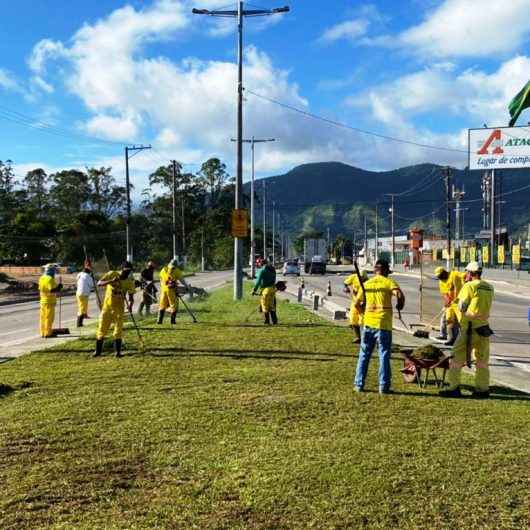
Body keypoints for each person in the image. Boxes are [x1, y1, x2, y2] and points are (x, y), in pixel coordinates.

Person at [440, 261, 494, 398]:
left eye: (467, 273)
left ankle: (453, 388)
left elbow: (462, 306)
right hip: (484, 328)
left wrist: (458, 308)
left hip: (469, 328)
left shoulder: (469, 286)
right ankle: (482, 390)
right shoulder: (489, 287)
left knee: (456, 358)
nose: (466, 276)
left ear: (470, 273)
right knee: (482, 361)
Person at [353, 259, 405, 394]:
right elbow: (398, 294)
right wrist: (400, 304)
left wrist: (363, 311)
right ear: (386, 270)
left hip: (368, 324)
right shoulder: (388, 282)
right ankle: (384, 387)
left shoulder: (367, 284)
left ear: (375, 270)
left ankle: (359, 385)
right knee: (384, 355)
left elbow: (356, 303)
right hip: (383, 324)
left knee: (364, 355)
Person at [93, 261, 136, 358]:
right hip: (107, 308)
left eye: (129, 271)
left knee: (118, 330)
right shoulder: (112, 274)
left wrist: (130, 305)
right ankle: (98, 351)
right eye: (125, 271)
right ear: (122, 270)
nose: (127, 273)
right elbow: (99, 283)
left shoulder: (129, 282)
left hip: (119, 308)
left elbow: (131, 296)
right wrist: (111, 281)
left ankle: (118, 352)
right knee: (102, 329)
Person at [434, 266, 466, 345]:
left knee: (462, 321)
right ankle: (452, 339)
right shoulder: (441, 281)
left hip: (459, 302)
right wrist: (447, 300)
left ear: (444, 272)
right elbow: (444, 293)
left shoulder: (454, 274)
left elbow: (464, 276)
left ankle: (464, 340)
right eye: (438, 277)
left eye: (440, 276)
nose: (440, 278)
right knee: (449, 320)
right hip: (451, 303)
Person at [158, 259, 189, 325]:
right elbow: (182, 280)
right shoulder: (176, 270)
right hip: (171, 290)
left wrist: (162, 286)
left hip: (163, 290)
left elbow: (160, 279)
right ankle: (172, 321)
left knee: (162, 305)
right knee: (174, 305)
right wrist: (187, 286)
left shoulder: (163, 269)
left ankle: (159, 321)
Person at [343, 268, 368, 343]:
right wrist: (346, 288)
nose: (361, 279)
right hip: (355, 302)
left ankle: (365, 338)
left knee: (362, 320)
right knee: (353, 319)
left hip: (364, 303)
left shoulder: (368, 282)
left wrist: (365, 303)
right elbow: (345, 283)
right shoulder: (354, 277)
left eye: (362, 278)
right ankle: (358, 337)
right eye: (360, 277)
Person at [39, 263, 63, 338]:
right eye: (53, 270)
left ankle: (43, 332)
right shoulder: (50, 279)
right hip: (49, 301)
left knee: (43, 318)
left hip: (43, 301)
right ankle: (48, 333)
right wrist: (59, 287)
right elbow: (52, 290)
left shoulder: (41, 278)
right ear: (51, 271)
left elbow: (41, 289)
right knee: (49, 318)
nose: (54, 272)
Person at [252, 257, 278, 325]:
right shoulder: (272, 270)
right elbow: (274, 281)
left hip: (265, 291)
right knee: (272, 306)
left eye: (259, 263)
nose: (258, 264)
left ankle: (267, 321)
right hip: (272, 289)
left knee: (265, 306)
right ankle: (274, 321)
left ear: (261, 264)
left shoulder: (262, 270)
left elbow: (258, 282)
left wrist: (254, 290)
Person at [76, 263, 95, 327]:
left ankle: (81, 320)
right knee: (82, 308)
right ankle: (79, 323)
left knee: (81, 307)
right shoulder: (87, 276)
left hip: (78, 293)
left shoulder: (80, 274)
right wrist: (92, 277)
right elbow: (92, 285)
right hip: (84, 294)